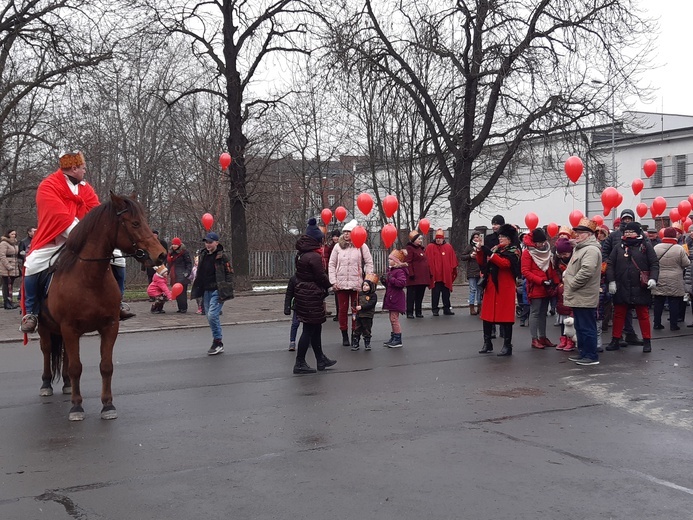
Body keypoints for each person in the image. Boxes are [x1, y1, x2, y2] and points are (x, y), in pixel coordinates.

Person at [21, 151, 100, 333]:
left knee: (117, 257)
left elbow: (96, 211)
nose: (85, 171)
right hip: (54, 240)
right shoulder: (48, 185)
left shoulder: (85, 188)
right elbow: (57, 215)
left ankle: (118, 302)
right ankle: (31, 313)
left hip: (85, 237)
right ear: (74, 168)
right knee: (31, 264)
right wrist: (79, 233)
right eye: (83, 168)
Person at [605, 221, 659, 353]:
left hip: (640, 286)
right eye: (626, 232)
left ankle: (647, 341)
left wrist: (653, 278)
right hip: (621, 285)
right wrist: (611, 281)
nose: (628, 234)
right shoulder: (619, 247)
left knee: (643, 314)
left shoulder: (646, 246)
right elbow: (610, 264)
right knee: (618, 314)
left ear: (638, 233)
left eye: (631, 232)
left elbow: (654, 264)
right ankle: (615, 339)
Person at [291, 219, 336, 374]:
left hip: (304, 293)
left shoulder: (301, 254)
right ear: (316, 240)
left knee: (316, 328)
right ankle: (300, 363)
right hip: (311, 295)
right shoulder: (314, 257)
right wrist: (330, 285)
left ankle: (320, 359)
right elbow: (320, 276)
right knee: (309, 329)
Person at [476, 224, 521, 356]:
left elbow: (505, 264)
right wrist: (480, 251)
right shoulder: (496, 249)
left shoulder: (515, 251)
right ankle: (487, 342)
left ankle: (507, 345)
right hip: (492, 285)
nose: (500, 239)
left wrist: (489, 253)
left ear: (510, 238)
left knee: (505, 317)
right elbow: (483, 263)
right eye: (500, 236)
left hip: (505, 286)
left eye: (503, 237)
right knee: (487, 315)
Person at [563, 218, 602, 366]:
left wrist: (572, 284)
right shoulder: (581, 248)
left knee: (586, 326)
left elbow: (587, 271)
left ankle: (591, 355)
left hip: (583, 294)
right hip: (579, 294)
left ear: (589, 234)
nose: (577, 235)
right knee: (580, 326)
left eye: (580, 233)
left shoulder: (591, 250)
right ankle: (584, 353)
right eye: (576, 232)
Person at [328, 219, 374, 346]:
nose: (346, 234)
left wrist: (368, 280)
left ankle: (355, 334)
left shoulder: (361, 246)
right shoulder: (338, 246)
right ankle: (344, 334)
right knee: (342, 310)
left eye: (349, 232)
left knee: (355, 311)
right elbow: (331, 264)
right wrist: (333, 281)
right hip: (341, 284)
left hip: (356, 285)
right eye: (345, 232)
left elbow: (369, 262)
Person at [602, 208, 643, 346]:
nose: (626, 221)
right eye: (624, 219)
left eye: (629, 219)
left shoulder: (639, 233)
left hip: (633, 277)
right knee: (618, 308)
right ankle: (618, 336)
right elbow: (605, 251)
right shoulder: (614, 236)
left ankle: (629, 333)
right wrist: (611, 265)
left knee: (630, 307)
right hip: (618, 276)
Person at [190, 232, 234, 355]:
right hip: (206, 290)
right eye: (206, 242)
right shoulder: (203, 254)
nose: (208, 244)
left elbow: (229, 273)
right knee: (209, 316)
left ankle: (218, 342)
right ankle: (217, 340)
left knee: (212, 315)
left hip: (218, 290)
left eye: (210, 242)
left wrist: (226, 288)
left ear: (217, 243)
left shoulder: (222, 256)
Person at [521, 228, 560, 349]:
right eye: (540, 242)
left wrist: (556, 282)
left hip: (547, 286)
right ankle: (534, 338)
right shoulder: (527, 253)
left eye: (544, 242)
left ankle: (542, 337)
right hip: (536, 287)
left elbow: (551, 268)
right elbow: (525, 271)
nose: (543, 244)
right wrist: (540, 280)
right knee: (535, 313)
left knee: (543, 313)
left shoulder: (546, 252)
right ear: (535, 242)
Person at [652, 227, 690, 331]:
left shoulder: (657, 247)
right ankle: (674, 325)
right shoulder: (679, 248)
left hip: (660, 277)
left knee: (659, 301)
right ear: (674, 235)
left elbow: (652, 262)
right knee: (674, 302)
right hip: (675, 278)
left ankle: (657, 323)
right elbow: (686, 263)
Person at [425, 228, 458, 316]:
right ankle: (435, 309)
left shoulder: (448, 247)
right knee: (435, 293)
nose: (438, 240)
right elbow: (427, 260)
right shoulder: (430, 247)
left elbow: (452, 260)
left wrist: (451, 270)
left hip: (445, 275)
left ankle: (447, 308)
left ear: (443, 238)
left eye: (440, 238)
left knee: (446, 293)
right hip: (435, 275)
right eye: (437, 238)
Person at [553, 237, 575, 351]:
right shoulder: (557, 260)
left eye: (565, 254)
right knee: (563, 320)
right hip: (562, 290)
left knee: (571, 321)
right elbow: (556, 272)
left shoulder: (575, 259)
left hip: (572, 288)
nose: (563, 256)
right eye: (560, 254)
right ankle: (563, 338)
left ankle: (571, 339)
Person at [382, 249, 408, 348]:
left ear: (396, 261)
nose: (388, 260)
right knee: (392, 318)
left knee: (394, 319)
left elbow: (401, 283)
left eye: (390, 259)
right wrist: (384, 280)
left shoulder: (399, 271)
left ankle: (397, 339)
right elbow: (389, 285)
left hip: (396, 298)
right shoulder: (391, 270)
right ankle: (394, 337)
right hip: (391, 297)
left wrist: (391, 279)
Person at [405, 229, 430, 318]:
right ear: (414, 240)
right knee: (411, 296)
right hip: (414, 277)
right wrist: (411, 273)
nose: (420, 240)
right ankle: (410, 312)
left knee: (420, 295)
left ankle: (418, 311)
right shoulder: (410, 249)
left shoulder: (421, 249)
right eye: (419, 239)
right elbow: (408, 262)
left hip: (422, 277)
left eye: (421, 239)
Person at [352, 273, 379, 351]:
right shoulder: (359, 294)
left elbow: (371, 304)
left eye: (367, 285)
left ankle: (367, 343)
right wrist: (354, 307)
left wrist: (362, 307)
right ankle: (356, 342)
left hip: (367, 316)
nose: (364, 287)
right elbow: (355, 302)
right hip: (359, 316)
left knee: (366, 330)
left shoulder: (373, 295)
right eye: (363, 285)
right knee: (357, 330)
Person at [460, 231, 483, 315]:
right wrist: (470, 256)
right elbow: (462, 257)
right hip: (472, 271)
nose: (476, 239)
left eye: (478, 237)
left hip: (480, 271)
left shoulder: (482, 247)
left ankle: (479, 306)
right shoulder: (469, 247)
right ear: (472, 238)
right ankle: (472, 307)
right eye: (475, 237)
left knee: (479, 290)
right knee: (472, 289)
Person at [168, 237, 193, 313]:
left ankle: (184, 308)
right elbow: (169, 264)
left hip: (183, 275)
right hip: (174, 275)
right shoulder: (171, 253)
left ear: (179, 244)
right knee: (177, 292)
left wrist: (187, 272)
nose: (174, 246)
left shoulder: (184, 252)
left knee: (182, 293)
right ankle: (180, 307)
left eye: (176, 244)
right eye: (173, 244)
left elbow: (189, 263)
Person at [0, 230, 21, 309]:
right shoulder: (4, 243)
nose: (14, 235)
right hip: (6, 266)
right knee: (6, 284)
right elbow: (2, 256)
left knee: (10, 284)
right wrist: (8, 266)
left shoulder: (14, 243)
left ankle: (10, 301)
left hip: (14, 266)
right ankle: (6, 302)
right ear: (8, 234)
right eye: (12, 234)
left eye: (15, 234)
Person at [324, 229, 341, 320]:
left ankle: (340, 313)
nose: (335, 238)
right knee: (336, 294)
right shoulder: (331, 247)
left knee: (340, 295)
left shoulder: (342, 246)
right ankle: (338, 313)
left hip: (340, 272)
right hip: (333, 271)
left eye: (337, 236)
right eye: (334, 236)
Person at [284, 275, 300, 351]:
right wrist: (287, 307)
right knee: (295, 323)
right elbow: (289, 294)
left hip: (308, 304)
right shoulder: (294, 279)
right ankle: (292, 341)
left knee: (308, 325)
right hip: (297, 305)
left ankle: (308, 340)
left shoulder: (310, 276)